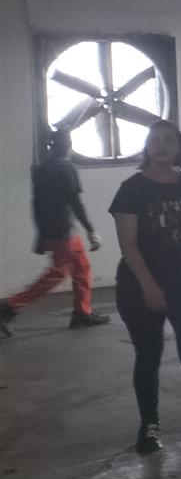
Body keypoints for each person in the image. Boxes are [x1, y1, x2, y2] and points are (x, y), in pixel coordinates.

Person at [110, 119, 181, 456]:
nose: (161, 146)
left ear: (179, 147)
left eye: (169, 140)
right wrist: (149, 285)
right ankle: (149, 427)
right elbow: (128, 244)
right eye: (155, 140)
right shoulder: (132, 189)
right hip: (139, 285)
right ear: (147, 147)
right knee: (148, 355)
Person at [0, 128, 108, 337]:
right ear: (68, 145)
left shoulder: (41, 169)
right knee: (58, 273)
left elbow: (36, 205)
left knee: (80, 268)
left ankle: (82, 313)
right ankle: (10, 307)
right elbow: (75, 203)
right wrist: (91, 231)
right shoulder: (67, 167)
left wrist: (41, 235)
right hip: (65, 231)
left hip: (52, 231)